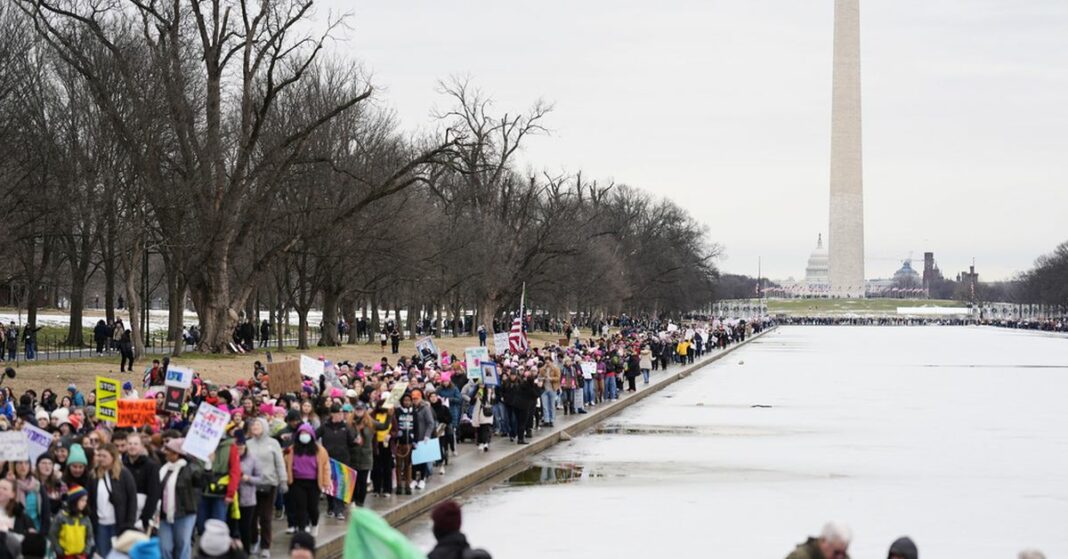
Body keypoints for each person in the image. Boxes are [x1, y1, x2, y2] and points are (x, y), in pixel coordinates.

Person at [245, 418, 286, 558]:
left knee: (266, 517)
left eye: (258, 424)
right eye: (253, 425)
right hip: (250, 484)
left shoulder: (273, 443)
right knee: (251, 516)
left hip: (269, 483)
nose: (255, 427)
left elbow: (280, 463)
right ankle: (253, 541)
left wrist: (283, 480)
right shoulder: (247, 443)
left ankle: (265, 546)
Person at [88, 444, 138, 557]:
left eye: (104, 456)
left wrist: (130, 522)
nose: (101, 458)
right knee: (104, 554)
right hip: (101, 524)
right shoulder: (93, 475)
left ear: (113, 457)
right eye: (99, 455)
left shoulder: (124, 474)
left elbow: (132, 499)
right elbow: (90, 499)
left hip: (119, 524)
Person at [159, 438, 204, 559]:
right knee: (165, 547)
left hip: (184, 514)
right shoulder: (163, 468)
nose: (165, 452)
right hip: (164, 515)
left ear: (177, 453)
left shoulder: (190, 469)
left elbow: (202, 481)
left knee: (182, 546)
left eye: (168, 450)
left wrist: (208, 466)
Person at [284, 424, 330, 537]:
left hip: (314, 482)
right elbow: (285, 463)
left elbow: (325, 466)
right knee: (300, 507)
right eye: (302, 433)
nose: (304, 436)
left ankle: (314, 524)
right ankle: (301, 529)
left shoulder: (320, 450)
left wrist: (326, 481)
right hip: (297, 482)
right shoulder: (292, 449)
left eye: (306, 433)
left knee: (312, 507)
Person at [315, 405, 354, 519]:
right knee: (329, 485)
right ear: (332, 414)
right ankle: (330, 508)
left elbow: (351, 442)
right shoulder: (325, 426)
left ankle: (339, 510)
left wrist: (357, 440)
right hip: (328, 460)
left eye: (342, 413)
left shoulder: (346, 427)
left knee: (341, 486)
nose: (341, 415)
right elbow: (314, 435)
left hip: (343, 459)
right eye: (338, 413)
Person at [123, 433, 161, 533]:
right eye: (130, 443)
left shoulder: (151, 466)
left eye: (135, 444)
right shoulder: (122, 465)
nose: (132, 446)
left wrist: (144, 518)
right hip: (125, 515)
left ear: (141, 446)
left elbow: (153, 494)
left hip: (143, 515)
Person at [234, 431, 263, 554]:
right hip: (233, 498)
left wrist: (248, 478)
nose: (240, 449)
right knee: (234, 528)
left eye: (242, 446)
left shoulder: (252, 459)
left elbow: (260, 478)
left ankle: (246, 552)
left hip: (248, 499)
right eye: (237, 446)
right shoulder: (231, 458)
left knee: (245, 527)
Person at [47, 485, 94, 559]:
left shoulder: (85, 518)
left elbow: (89, 536)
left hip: (80, 556)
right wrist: (59, 551)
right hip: (64, 556)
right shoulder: (61, 516)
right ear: (74, 501)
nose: (85, 503)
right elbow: (53, 534)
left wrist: (85, 552)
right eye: (82, 500)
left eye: (86, 500)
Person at [348, 402, 375, 507]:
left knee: (362, 481)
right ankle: (353, 500)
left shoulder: (370, 423)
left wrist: (389, 416)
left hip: (365, 456)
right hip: (353, 455)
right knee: (354, 482)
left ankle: (361, 502)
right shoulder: (350, 423)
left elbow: (383, 426)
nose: (359, 411)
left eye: (361, 409)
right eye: (357, 409)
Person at [786, 522, 852, 559]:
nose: (840, 557)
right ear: (823, 541)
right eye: (836, 552)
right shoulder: (800, 557)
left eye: (843, 553)